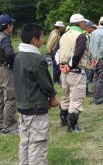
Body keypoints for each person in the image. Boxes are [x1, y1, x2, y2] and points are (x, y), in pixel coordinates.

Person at [14, 23, 60, 165]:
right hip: (35, 108)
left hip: (22, 106)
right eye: (41, 37)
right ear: (34, 40)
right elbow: (46, 83)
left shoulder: (18, 56)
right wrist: (52, 97)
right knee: (38, 144)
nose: (43, 40)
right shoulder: (37, 59)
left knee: (25, 142)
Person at [59, 14, 91, 132]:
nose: (85, 24)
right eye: (84, 22)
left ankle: (63, 120)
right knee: (76, 98)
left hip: (64, 71)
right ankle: (72, 126)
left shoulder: (64, 35)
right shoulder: (81, 36)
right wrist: (70, 65)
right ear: (80, 23)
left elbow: (60, 52)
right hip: (75, 71)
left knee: (66, 95)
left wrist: (64, 65)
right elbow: (77, 54)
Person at [0, 14, 18, 135]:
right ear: (8, 26)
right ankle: (10, 127)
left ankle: (1, 124)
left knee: (1, 98)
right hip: (5, 70)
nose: (13, 26)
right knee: (10, 97)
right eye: (11, 24)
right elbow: (9, 54)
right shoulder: (4, 38)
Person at [85, 21, 97, 96]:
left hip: (88, 57)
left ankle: (86, 90)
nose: (93, 29)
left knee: (86, 73)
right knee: (85, 74)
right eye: (92, 28)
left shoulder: (89, 35)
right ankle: (85, 91)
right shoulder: (86, 35)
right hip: (85, 57)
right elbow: (88, 47)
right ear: (88, 27)